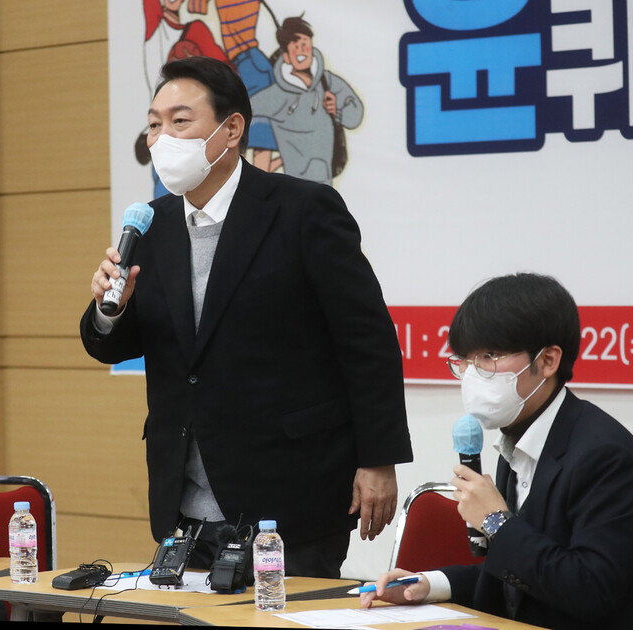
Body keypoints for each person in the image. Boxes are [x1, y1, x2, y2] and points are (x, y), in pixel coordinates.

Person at [81, 56, 411, 578]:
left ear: (232, 129)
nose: (162, 138)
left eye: (180, 121)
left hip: (292, 495)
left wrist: (378, 459)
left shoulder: (303, 210)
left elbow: (367, 341)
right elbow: (114, 344)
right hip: (184, 504)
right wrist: (110, 313)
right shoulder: (152, 225)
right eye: (154, 124)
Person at [361, 274, 633, 630]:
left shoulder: (606, 457)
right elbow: (522, 577)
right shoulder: (518, 441)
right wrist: (429, 585)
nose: (472, 374)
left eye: (490, 356)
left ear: (548, 361)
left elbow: (590, 589)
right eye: (465, 360)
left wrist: (496, 522)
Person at [249, 16, 363, 183]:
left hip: (326, 186)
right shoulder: (277, 95)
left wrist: (337, 109)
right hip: (295, 187)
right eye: (296, 46)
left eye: (305, 44)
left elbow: (356, 115)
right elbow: (242, 115)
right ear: (287, 56)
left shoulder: (328, 82)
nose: (302, 50)